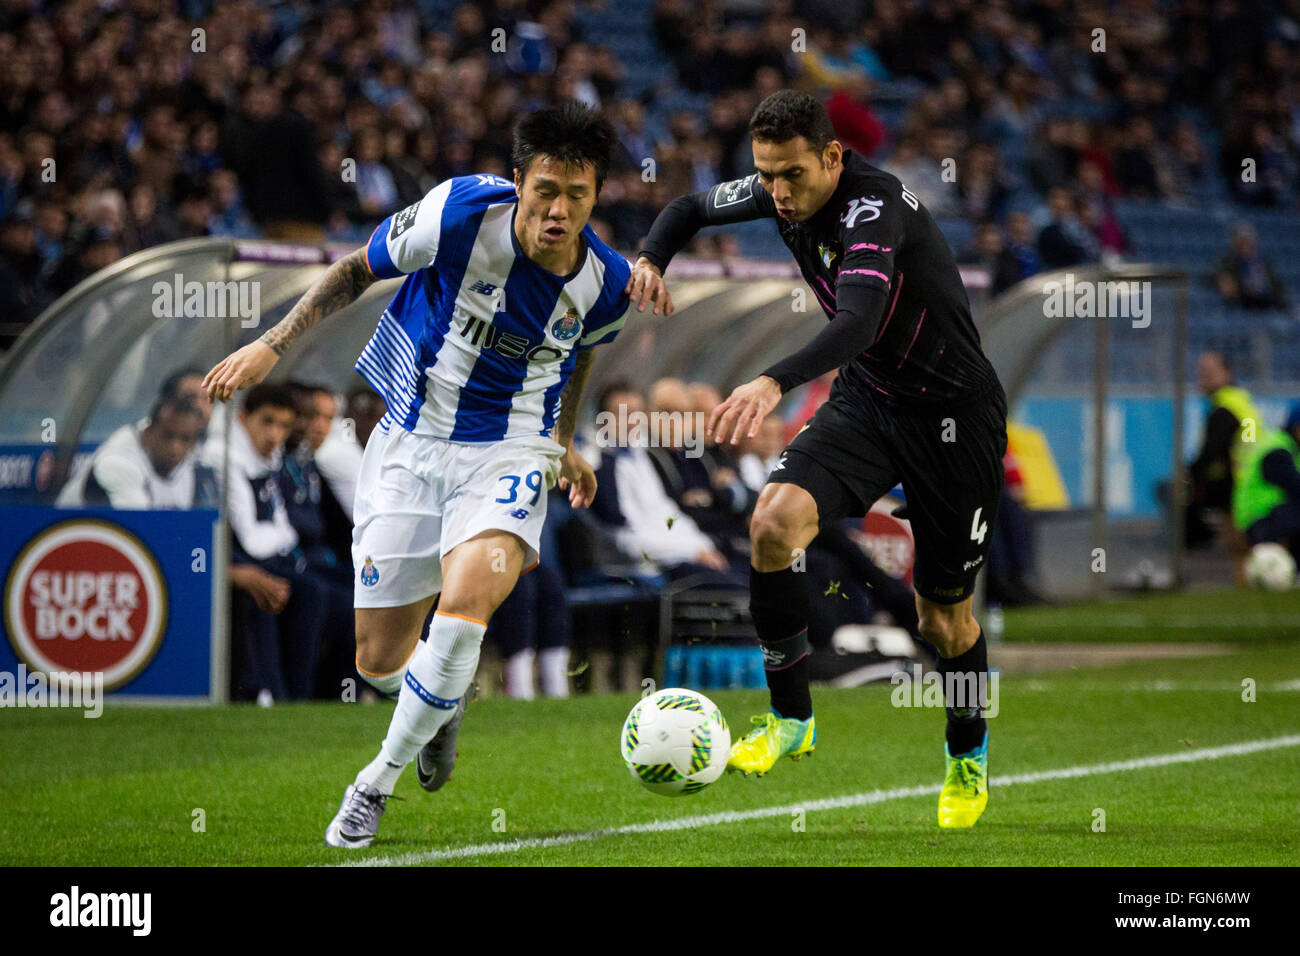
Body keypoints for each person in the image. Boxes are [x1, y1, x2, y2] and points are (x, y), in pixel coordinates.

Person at [203, 102, 632, 848]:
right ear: (519, 181)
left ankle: (374, 783)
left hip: (510, 453)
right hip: (409, 444)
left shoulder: (608, 281)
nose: (559, 211)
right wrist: (272, 346)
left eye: (578, 195)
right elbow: (352, 269)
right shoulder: (459, 214)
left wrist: (561, 440)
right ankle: (436, 703)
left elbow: (581, 350)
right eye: (546, 192)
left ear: (596, 197)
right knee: (377, 660)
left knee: (465, 608)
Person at [628, 90, 1007, 828]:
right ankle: (790, 719)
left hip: (953, 417)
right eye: (766, 175)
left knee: (944, 622)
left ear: (833, 157)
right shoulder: (782, 191)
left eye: (791, 175)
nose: (777, 192)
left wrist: (773, 380)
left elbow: (860, 320)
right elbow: (684, 210)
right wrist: (650, 258)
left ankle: (967, 756)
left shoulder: (875, 210)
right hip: (869, 403)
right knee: (773, 522)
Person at [57, 393, 216, 509]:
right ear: (148, 433)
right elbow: (141, 529)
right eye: (168, 436)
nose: (175, 447)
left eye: (185, 439)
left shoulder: (193, 464)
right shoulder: (117, 462)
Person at [1232, 403, 1300, 562]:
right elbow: (1294, 485)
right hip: (1260, 515)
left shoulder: (1286, 445)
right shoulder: (1278, 450)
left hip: (1268, 513)